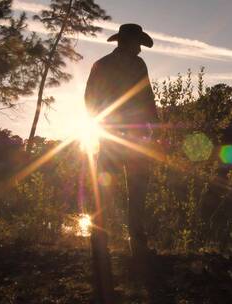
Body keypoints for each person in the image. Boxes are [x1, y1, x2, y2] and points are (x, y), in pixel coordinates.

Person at [84, 23, 157, 302]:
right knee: (135, 192)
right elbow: (148, 100)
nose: (139, 47)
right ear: (130, 42)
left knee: (107, 190)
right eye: (138, 42)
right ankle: (135, 245)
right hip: (131, 138)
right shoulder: (137, 65)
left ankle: (101, 244)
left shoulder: (102, 65)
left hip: (117, 137)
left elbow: (90, 100)